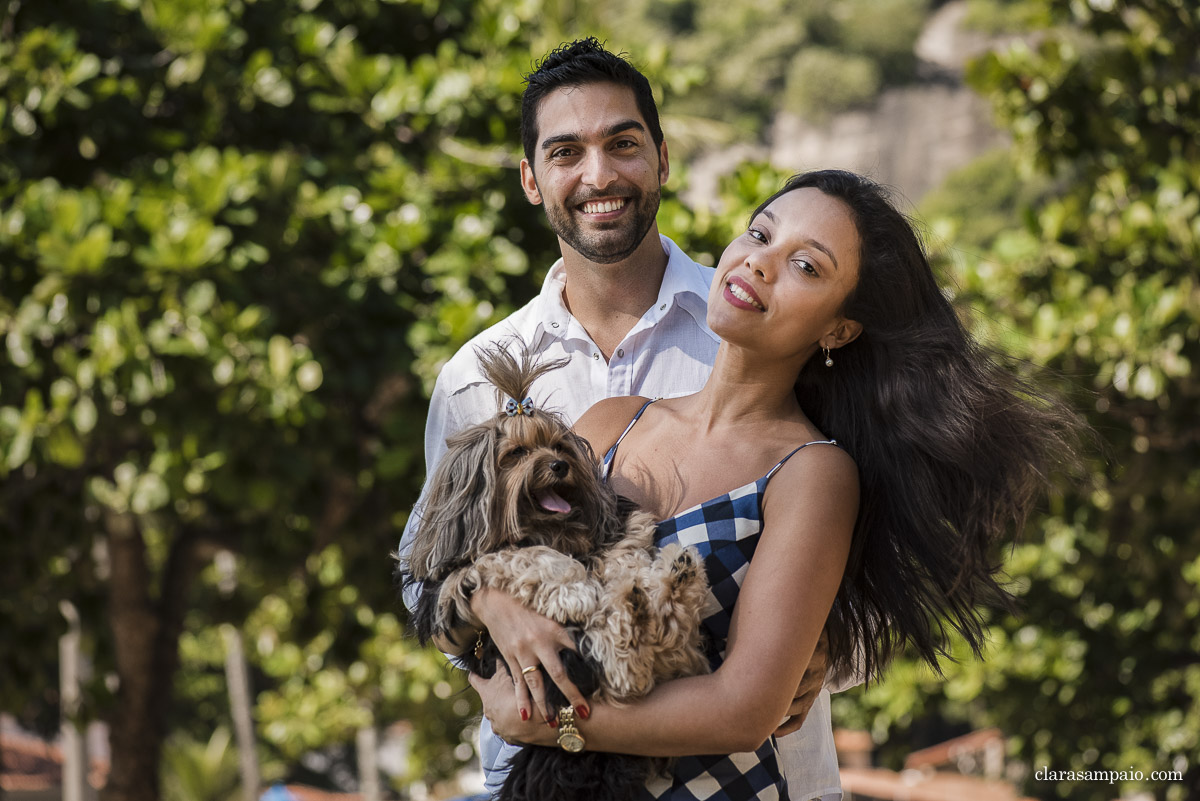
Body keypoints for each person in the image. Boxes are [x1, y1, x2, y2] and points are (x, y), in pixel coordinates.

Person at [466, 169, 1078, 799]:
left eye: (806, 267)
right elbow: (476, 563)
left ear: (839, 328)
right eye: (760, 234)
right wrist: (492, 603)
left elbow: (743, 710)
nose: (761, 263)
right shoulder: (612, 421)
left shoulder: (811, 472)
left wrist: (557, 724)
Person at [397, 38, 844, 800]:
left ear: (663, 159)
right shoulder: (477, 375)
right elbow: (422, 574)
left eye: (623, 144)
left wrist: (827, 645)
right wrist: (491, 615)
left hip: (763, 777)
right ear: (532, 181)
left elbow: (865, 563)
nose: (599, 175)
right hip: (541, 780)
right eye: (566, 151)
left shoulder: (765, 329)